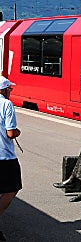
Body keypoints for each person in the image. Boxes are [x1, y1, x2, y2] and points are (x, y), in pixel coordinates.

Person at [0, 76, 21, 241]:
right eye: (9, 89)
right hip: (4, 156)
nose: (10, 92)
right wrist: (17, 132)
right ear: (4, 90)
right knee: (12, 188)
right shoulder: (6, 104)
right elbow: (10, 132)